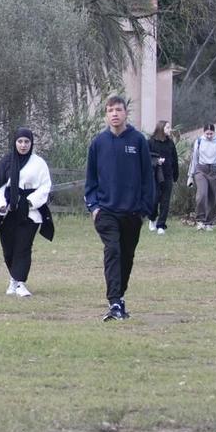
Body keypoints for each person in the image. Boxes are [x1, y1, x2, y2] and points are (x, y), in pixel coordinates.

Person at [85, 95, 156, 321]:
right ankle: (114, 302)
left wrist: (145, 209)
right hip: (106, 211)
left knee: (126, 255)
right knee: (112, 250)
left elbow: (148, 177)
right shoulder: (98, 143)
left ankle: (120, 296)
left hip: (133, 212)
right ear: (106, 115)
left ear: (126, 113)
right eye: (110, 110)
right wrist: (94, 207)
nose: (114, 114)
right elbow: (90, 181)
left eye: (118, 109)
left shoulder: (138, 141)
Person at [0, 128, 52, 297]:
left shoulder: (39, 163)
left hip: (30, 211)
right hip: (9, 210)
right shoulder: (6, 162)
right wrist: (2, 205)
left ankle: (20, 283)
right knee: (8, 248)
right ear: (15, 142)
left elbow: (45, 186)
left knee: (23, 247)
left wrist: (30, 202)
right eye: (20, 142)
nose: (23, 145)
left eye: (26, 142)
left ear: (31, 144)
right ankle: (13, 279)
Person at [189, 123, 216, 230]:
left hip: (214, 170)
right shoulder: (199, 141)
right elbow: (194, 159)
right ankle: (200, 220)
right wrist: (190, 176)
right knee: (202, 194)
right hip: (201, 169)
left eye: (211, 134)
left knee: (213, 197)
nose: (209, 136)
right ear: (203, 132)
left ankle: (209, 222)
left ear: (214, 132)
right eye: (207, 133)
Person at [149, 121, 179, 234]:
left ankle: (161, 225)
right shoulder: (151, 142)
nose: (169, 129)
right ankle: (152, 218)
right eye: (167, 127)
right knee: (154, 199)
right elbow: (146, 158)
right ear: (161, 128)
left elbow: (174, 160)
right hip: (154, 176)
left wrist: (175, 175)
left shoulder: (170, 143)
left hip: (167, 175)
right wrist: (156, 161)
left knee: (165, 201)